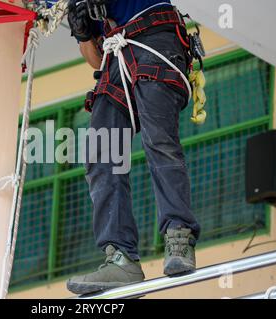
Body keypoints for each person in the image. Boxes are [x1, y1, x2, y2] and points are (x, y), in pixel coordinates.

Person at [65, 0, 202, 295]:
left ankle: (179, 236)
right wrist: (83, 33)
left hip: (155, 38)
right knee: (102, 154)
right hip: (116, 56)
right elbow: (94, 58)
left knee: (159, 141)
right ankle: (120, 258)